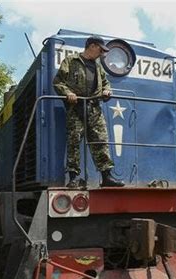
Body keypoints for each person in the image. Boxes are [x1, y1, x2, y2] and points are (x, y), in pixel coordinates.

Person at [53, 35, 124, 188]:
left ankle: (106, 177)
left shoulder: (98, 66)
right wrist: (68, 93)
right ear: (92, 46)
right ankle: (73, 179)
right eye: (100, 49)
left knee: (101, 140)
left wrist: (106, 90)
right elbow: (58, 82)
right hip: (76, 107)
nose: (102, 53)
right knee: (74, 142)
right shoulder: (71, 61)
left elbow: (106, 83)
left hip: (94, 108)